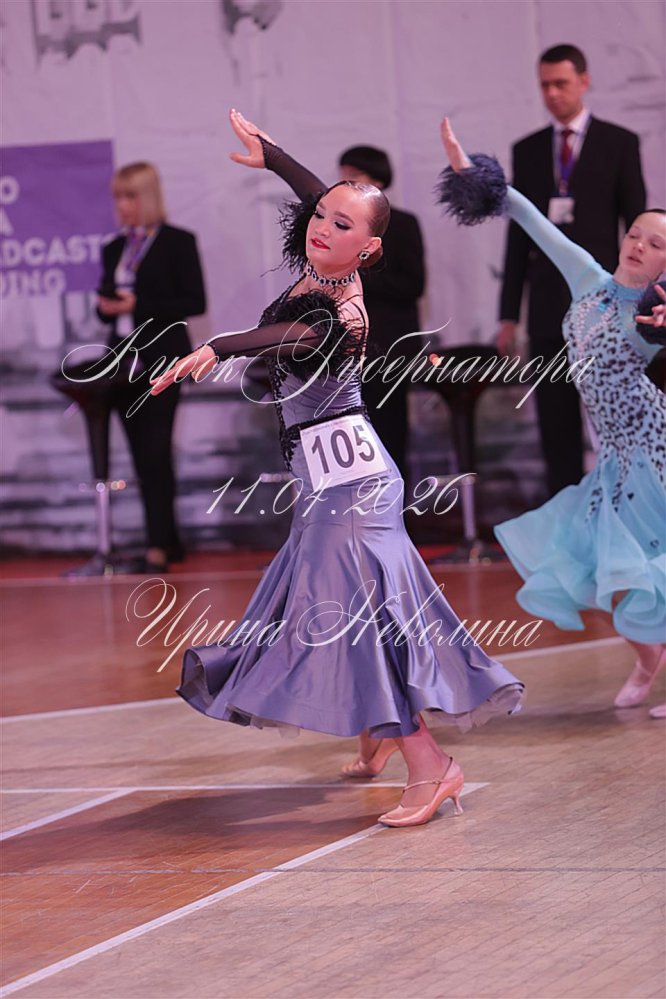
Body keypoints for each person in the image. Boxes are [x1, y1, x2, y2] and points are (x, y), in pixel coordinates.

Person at [150, 110, 524, 828]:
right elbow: (330, 201)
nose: (322, 228)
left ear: (370, 248)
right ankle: (376, 734)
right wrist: (273, 156)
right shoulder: (327, 256)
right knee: (334, 614)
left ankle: (432, 765)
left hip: (353, 489)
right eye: (320, 216)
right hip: (329, 482)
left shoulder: (341, 313)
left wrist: (219, 345)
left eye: (341, 225)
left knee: (354, 622)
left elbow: (292, 336)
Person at [438, 116, 665, 716]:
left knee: (652, 571)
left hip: (658, 457)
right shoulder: (588, 278)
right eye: (636, 234)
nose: (639, 245)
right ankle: (648, 662)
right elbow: (530, 218)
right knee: (605, 576)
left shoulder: (656, 313)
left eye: (656, 244)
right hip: (614, 462)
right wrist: (472, 174)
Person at [497, 44, 646, 497]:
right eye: (544, 85)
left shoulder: (619, 142)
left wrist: (641, 296)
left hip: (604, 303)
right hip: (547, 305)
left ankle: (627, 504)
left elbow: (636, 224)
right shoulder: (527, 150)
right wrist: (509, 315)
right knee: (555, 419)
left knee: (615, 413)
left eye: (561, 83)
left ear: (584, 81)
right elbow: (518, 237)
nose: (552, 94)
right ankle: (567, 511)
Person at [96, 162, 206, 571]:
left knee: (156, 452)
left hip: (162, 361)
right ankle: (166, 540)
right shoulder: (114, 247)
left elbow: (194, 302)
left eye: (130, 196)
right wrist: (107, 307)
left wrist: (138, 304)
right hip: (121, 364)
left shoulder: (178, 242)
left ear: (147, 197)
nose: (122, 205)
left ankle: (158, 546)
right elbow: (107, 306)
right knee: (142, 458)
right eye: (117, 197)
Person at [338, 146, 426, 484]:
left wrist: (359, 271)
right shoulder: (339, 227)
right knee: (352, 435)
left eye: (353, 175)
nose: (345, 183)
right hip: (346, 345)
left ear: (377, 180)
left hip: (389, 345)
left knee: (389, 431)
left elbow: (413, 285)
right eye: (343, 175)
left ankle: (395, 505)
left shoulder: (402, 224)